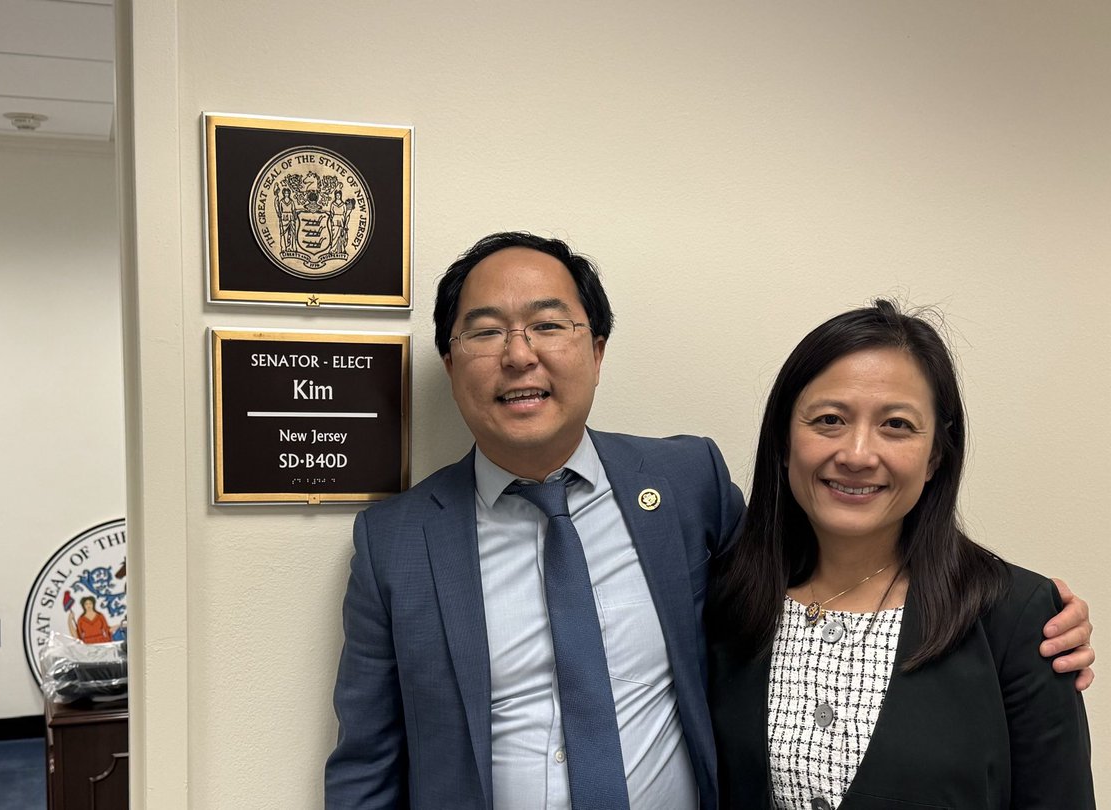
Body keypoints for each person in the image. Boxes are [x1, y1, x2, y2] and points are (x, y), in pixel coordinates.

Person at [325, 234, 1093, 810]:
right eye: (486, 331)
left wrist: (1021, 622)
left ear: (596, 351)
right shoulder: (395, 543)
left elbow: (836, 539)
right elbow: (368, 762)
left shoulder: (684, 484)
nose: (519, 355)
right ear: (451, 359)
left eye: (550, 326)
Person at [709, 301, 1095, 808]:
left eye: (896, 425)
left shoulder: (1017, 618)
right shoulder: (725, 599)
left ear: (936, 455)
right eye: (829, 419)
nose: (857, 454)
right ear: (784, 441)